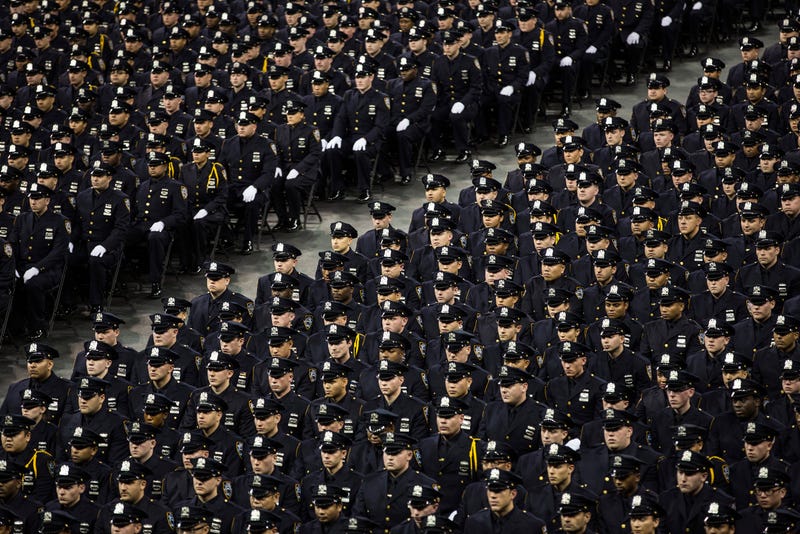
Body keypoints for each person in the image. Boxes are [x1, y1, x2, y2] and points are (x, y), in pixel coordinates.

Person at [9, 183, 68, 340]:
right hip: (22, 266)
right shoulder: (21, 219)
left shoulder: (60, 221)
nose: (33, 202)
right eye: (31, 198)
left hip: (48, 269)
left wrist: (37, 268)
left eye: (37, 198)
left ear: (47, 200)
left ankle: (38, 327)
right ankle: (15, 327)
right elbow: (13, 244)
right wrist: (13, 266)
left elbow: (58, 252)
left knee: (33, 285)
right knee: (9, 283)